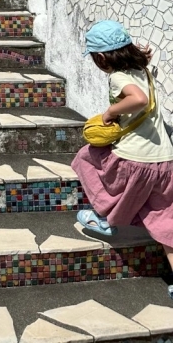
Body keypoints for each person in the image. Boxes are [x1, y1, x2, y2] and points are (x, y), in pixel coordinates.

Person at [73, 19, 173, 273]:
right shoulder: (142, 71)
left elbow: (139, 99)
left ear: (101, 58)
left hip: (134, 160)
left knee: (87, 157)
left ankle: (106, 219)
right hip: (164, 162)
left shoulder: (118, 77)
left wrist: (110, 112)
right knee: (166, 223)